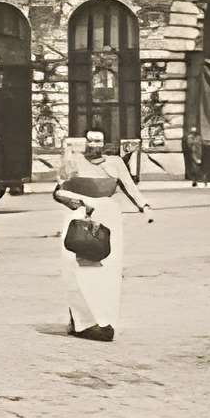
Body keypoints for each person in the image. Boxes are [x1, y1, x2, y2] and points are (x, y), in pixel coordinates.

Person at [54, 130, 151, 342]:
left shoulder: (115, 163)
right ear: (85, 143)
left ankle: (104, 320)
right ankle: (82, 321)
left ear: (104, 143)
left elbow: (129, 186)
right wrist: (76, 202)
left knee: (107, 270)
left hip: (108, 217)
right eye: (91, 141)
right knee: (75, 267)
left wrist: (144, 206)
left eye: (98, 141)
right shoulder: (73, 161)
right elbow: (58, 191)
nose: (94, 145)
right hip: (79, 216)